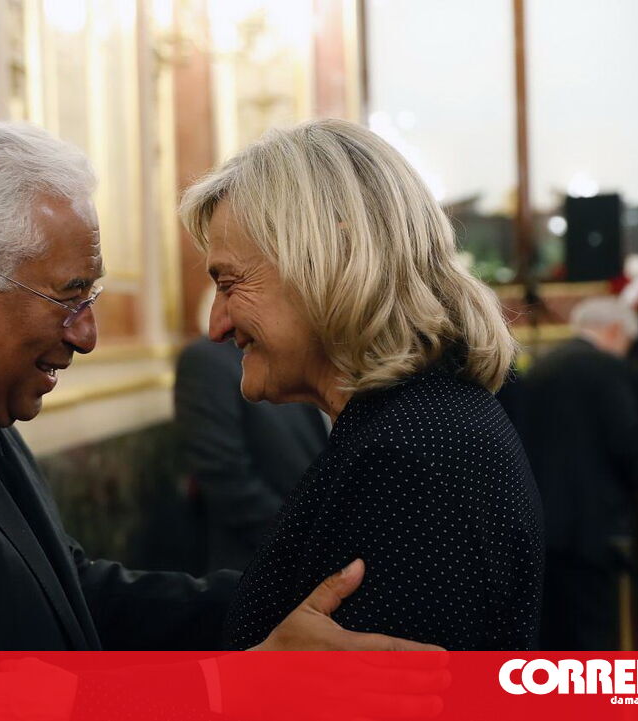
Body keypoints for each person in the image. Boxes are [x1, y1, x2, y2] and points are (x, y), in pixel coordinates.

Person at [0, 117, 438, 654]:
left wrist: (289, 605)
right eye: (69, 297)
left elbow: (70, 595)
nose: (87, 334)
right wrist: (250, 682)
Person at [179, 118, 544, 651]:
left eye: (230, 283)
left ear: (331, 261)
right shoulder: (414, 425)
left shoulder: (413, 454)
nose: (217, 325)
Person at [520, 297, 638, 649]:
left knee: (554, 627)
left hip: (541, 514)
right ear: (616, 330)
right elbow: (624, 438)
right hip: (590, 518)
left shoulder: (543, 365)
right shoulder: (606, 366)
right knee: (591, 627)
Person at [175, 289, 327, 572]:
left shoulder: (297, 355)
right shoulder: (207, 360)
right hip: (257, 567)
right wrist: (311, 545)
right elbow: (227, 478)